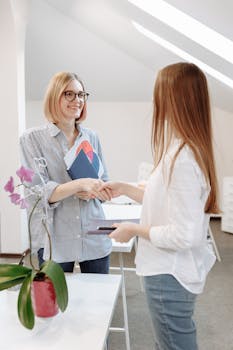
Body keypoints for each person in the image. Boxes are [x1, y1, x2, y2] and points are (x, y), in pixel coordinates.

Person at [102, 62, 220, 349]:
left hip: (169, 275)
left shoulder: (183, 159)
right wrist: (127, 189)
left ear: (178, 100)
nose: (156, 102)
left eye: (161, 94)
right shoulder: (185, 148)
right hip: (172, 274)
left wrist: (133, 229)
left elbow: (184, 235)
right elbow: (166, 201)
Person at [20, 72, 112, 273]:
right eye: (69, 94)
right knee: (54, 303)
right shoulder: (32, 139)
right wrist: (77, 186)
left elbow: (104, 182)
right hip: (54, 240)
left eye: (81, 94)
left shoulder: (91, 137)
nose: (77, 100)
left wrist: (94, 191)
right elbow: (36, 192)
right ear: (54, 97)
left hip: (94, 237)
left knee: (98, 302)